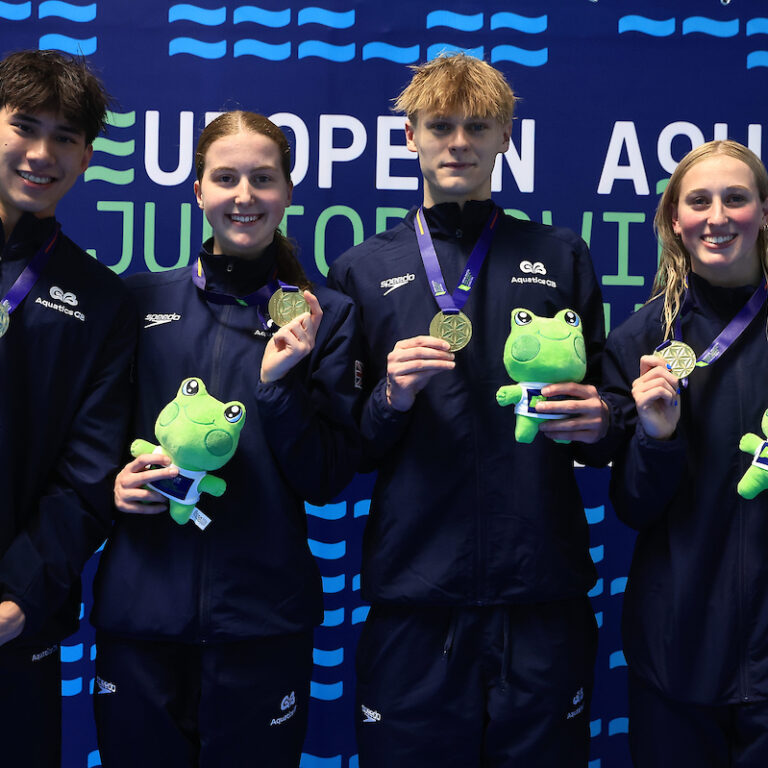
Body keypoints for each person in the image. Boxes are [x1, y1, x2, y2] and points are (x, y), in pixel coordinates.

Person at [327, 53, 612, 767]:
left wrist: (600, 418)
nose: (459, 142)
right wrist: (389, 397)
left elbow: (608, 418)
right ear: (410, 138)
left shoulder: (561, 254)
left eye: (477, 126)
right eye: (441, 126)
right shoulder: (362, 269)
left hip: (540, 594)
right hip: (415, 597)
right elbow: (348, 445)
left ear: (505, 136)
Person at [91, 111, 360, 768]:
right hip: (140, 621)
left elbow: (325, 477)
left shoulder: (324, 315)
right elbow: (92, 443)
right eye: (227, 178)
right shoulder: (137, 301)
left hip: (262, 625)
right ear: (198, 191)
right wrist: (113, 486)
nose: (244, 196)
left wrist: (277, 387)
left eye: (262, 179)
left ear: (288, 192)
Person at [602, 140, 768, 766]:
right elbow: (634, 507)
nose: (718, 217)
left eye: (737, 198)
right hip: (678, 651)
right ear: (676, 217)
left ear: (765, 211)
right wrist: (657, 436)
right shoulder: (643, 339)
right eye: (699, 201)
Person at [0, 50, 135, 766]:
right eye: (25, 127)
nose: (42, 153)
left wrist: (21, 597)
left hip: (17, 626)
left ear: (87, 157)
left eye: (65, 138)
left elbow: (88, 471)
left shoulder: (99, 298)